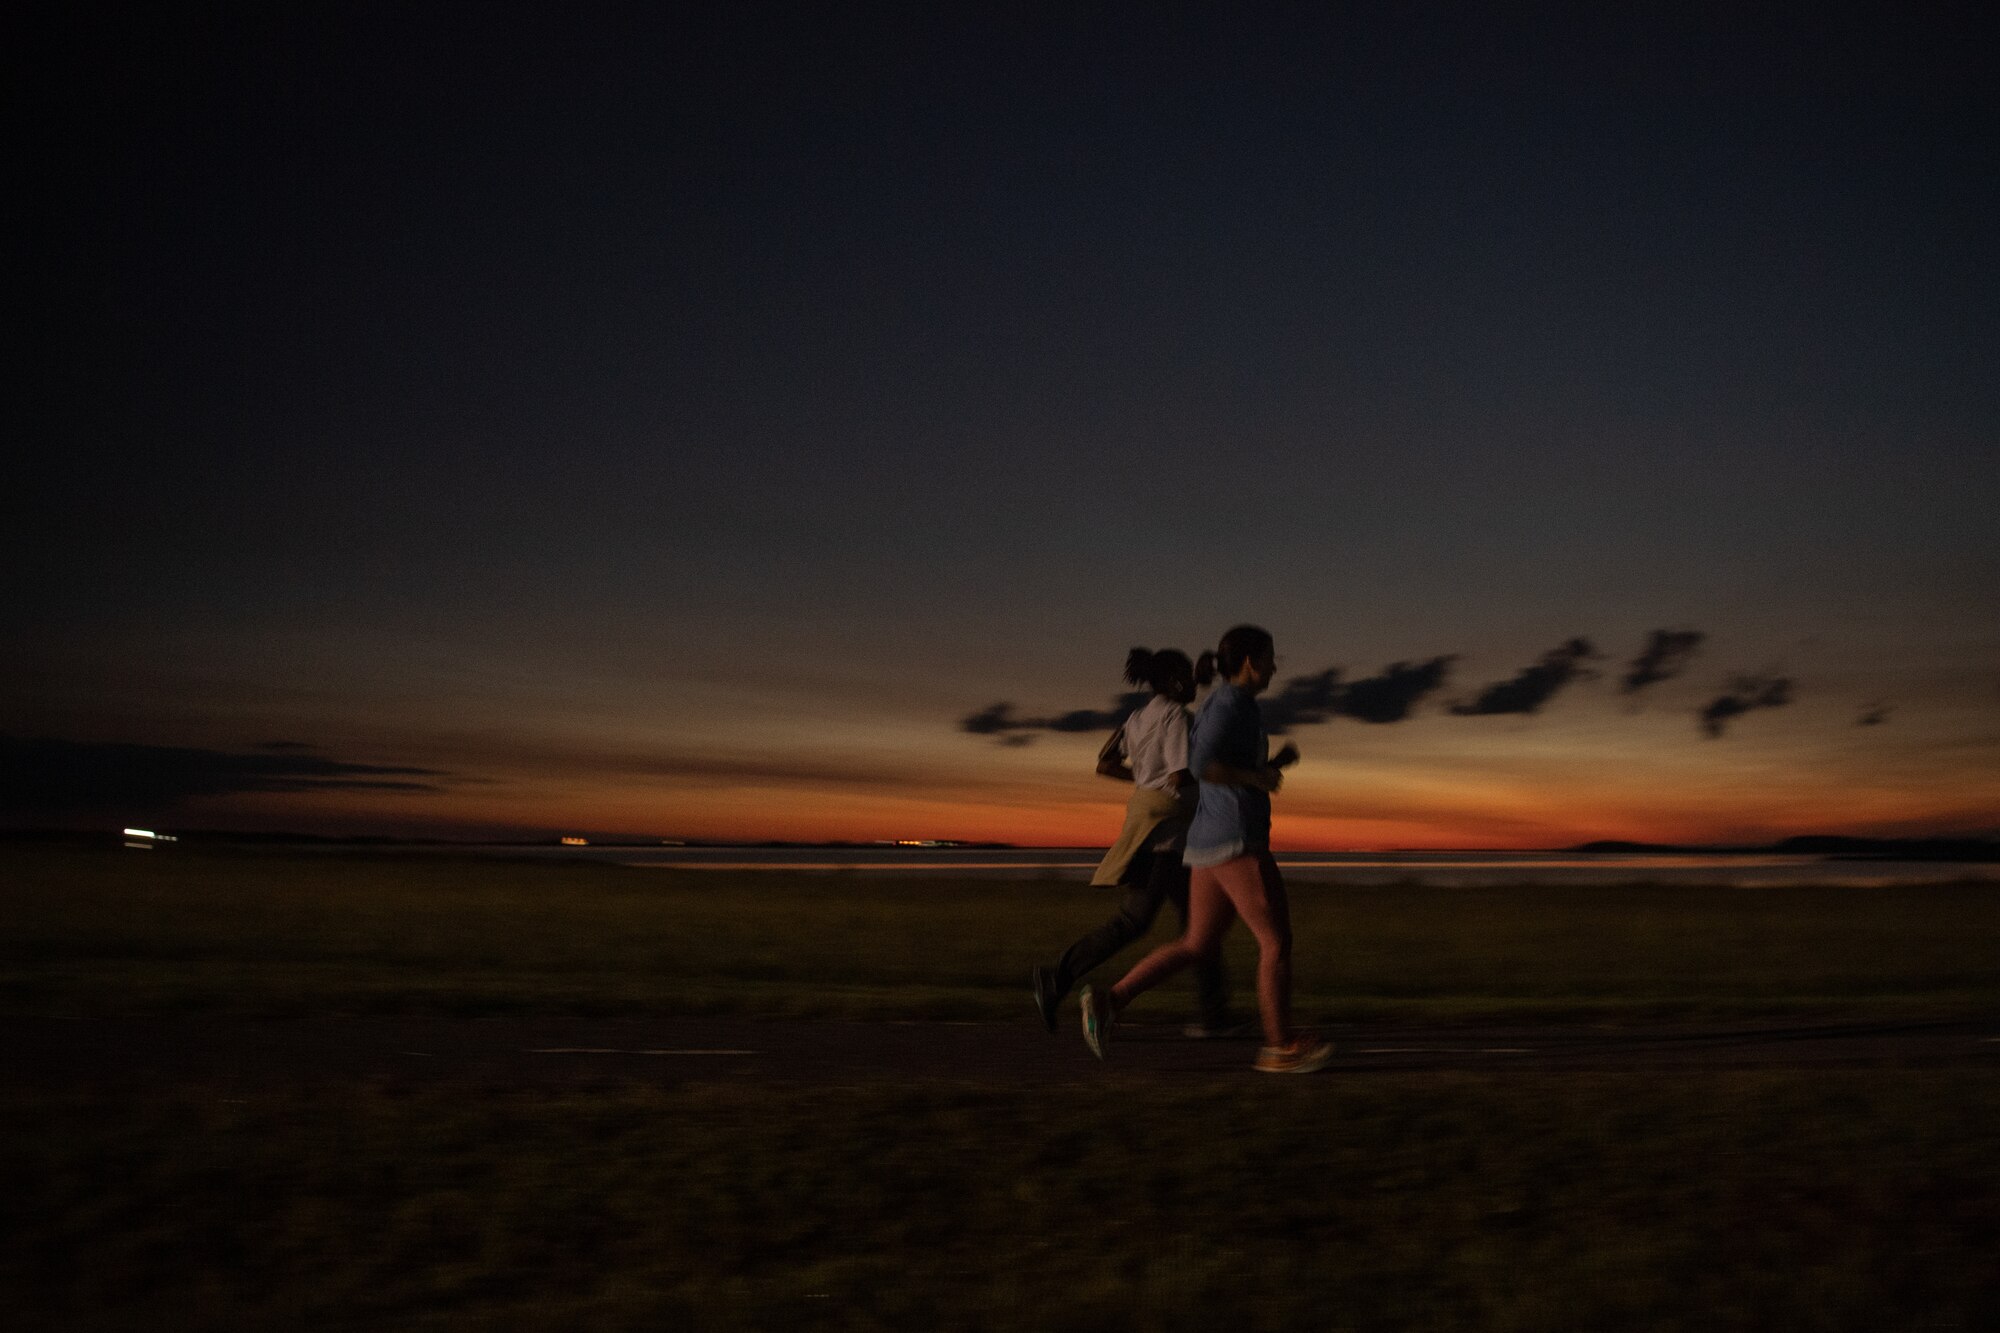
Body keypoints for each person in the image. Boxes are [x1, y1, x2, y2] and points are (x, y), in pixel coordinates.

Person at [1080, 624, 1332, 1074]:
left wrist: (1270, 767)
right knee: (1276, 942)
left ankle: (1110, 1000)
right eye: (1271, 657)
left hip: (1207, 842)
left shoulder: (1230, 704)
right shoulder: (1231, 702)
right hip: (1235, 840)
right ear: (1251, 662)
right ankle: (1280, 1047)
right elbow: (1199, 765)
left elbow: (1222, 765)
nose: (1275, 666)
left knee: (1197, 943)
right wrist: (1255, 777)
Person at [1030, 648, 1237, 1038]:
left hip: (1161, 839)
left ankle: (1214, 1015)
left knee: (1196, 928)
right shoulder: (1175, 715)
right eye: (1186, 678)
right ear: (1174, 681)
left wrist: (1144, 787)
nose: (1193, 685)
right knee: (1137, 923)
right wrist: (1223, 784)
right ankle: (1056, 977)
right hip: (1167, 842)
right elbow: (1179, 776)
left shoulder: (1137, 718)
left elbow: (1105, 763)